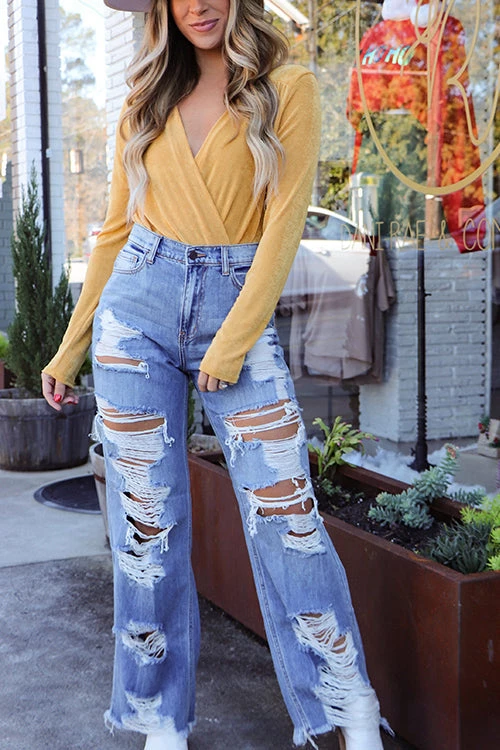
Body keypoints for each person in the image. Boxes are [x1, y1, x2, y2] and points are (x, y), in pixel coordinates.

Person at [42, 1, 389, 748]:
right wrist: (70, 347)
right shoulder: (145, 94)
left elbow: (284, 225)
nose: (198, 3)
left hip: (238, 310)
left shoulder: (286, 85)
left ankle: (346, 702)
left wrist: (231, 343)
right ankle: (159, 716)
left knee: (287, 516)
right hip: (137, 310)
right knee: (147, 528)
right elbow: (115, 230)